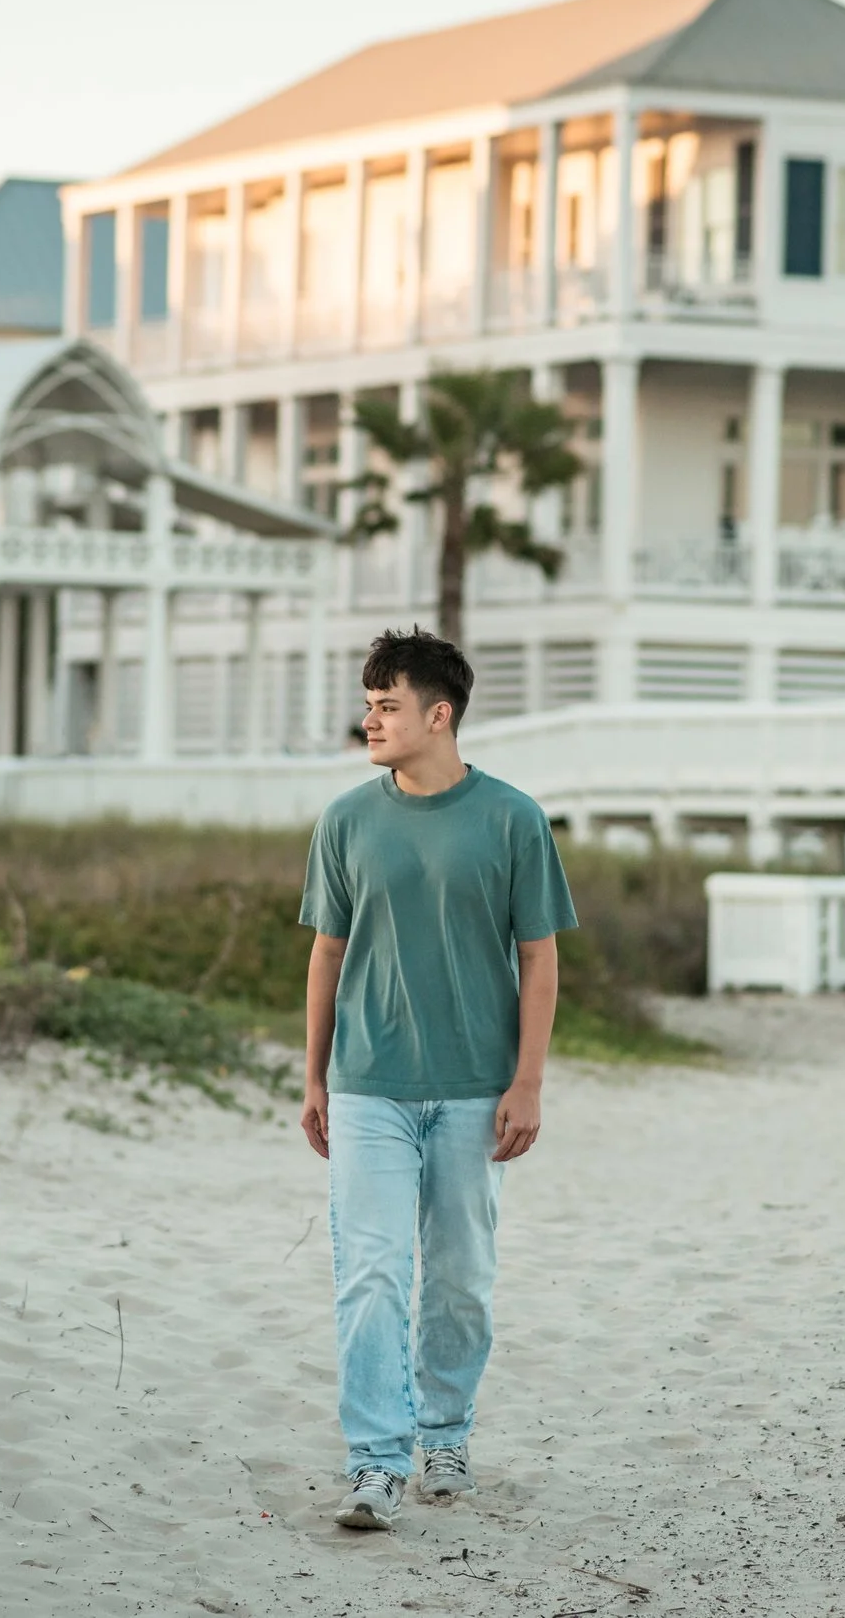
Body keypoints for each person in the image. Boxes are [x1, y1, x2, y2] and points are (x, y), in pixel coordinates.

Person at [297, 626, 577, 1530]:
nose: (370, 719)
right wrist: (314, 1078)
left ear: (439, 713)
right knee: (371, 1273)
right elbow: (326, 952)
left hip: (472, 1087)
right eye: (369, 704)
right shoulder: (345, 819)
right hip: (369, 1083)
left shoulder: (513, 818)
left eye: (387, 705)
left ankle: (445, 1428)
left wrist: (527, 1081)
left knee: (459, 1276)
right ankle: (376, 1460)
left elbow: (539, 958)